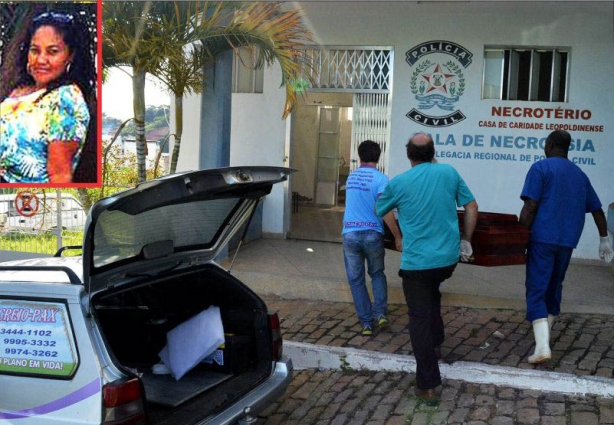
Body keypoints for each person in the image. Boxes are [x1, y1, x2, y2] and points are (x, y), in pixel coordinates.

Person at [375, 132, 478, 405]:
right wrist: (466, 240)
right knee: (432, 292)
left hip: (418, 262)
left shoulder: (399, 182)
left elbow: (381, 209)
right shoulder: (449, 172)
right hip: (447, 259)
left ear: (409, 155)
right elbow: (471, 206)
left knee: (418, 316)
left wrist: (397, 235)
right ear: (433, 153)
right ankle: (437, 341)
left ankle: (428, 384)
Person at [519, 129, 613, 364]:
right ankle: (545, 339)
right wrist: (604, 239)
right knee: (554, 286)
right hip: (568, 241)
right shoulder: (580, 175)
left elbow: (531, 205)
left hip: (542, 238)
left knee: (537, 288)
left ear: (549, 145)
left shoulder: (541, 168)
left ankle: (542, 346)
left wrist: (518, 237)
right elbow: (597, 210)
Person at [0, 10, 97, 184]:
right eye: (35, 50)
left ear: (70, 56)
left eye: (52, 51)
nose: (41, 60)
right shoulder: (20, 89)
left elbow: (60, 176)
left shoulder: (65, 99)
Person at [342, 140, 402, 337]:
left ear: (359, 156)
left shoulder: (351, 178)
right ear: (379, 156)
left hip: (350, 233)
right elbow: (384, 211)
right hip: (372, 234)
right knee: (376, 274)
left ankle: (366, 323)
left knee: (356, 280)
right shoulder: (381, 179)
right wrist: (397, 236)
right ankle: (381, 314)